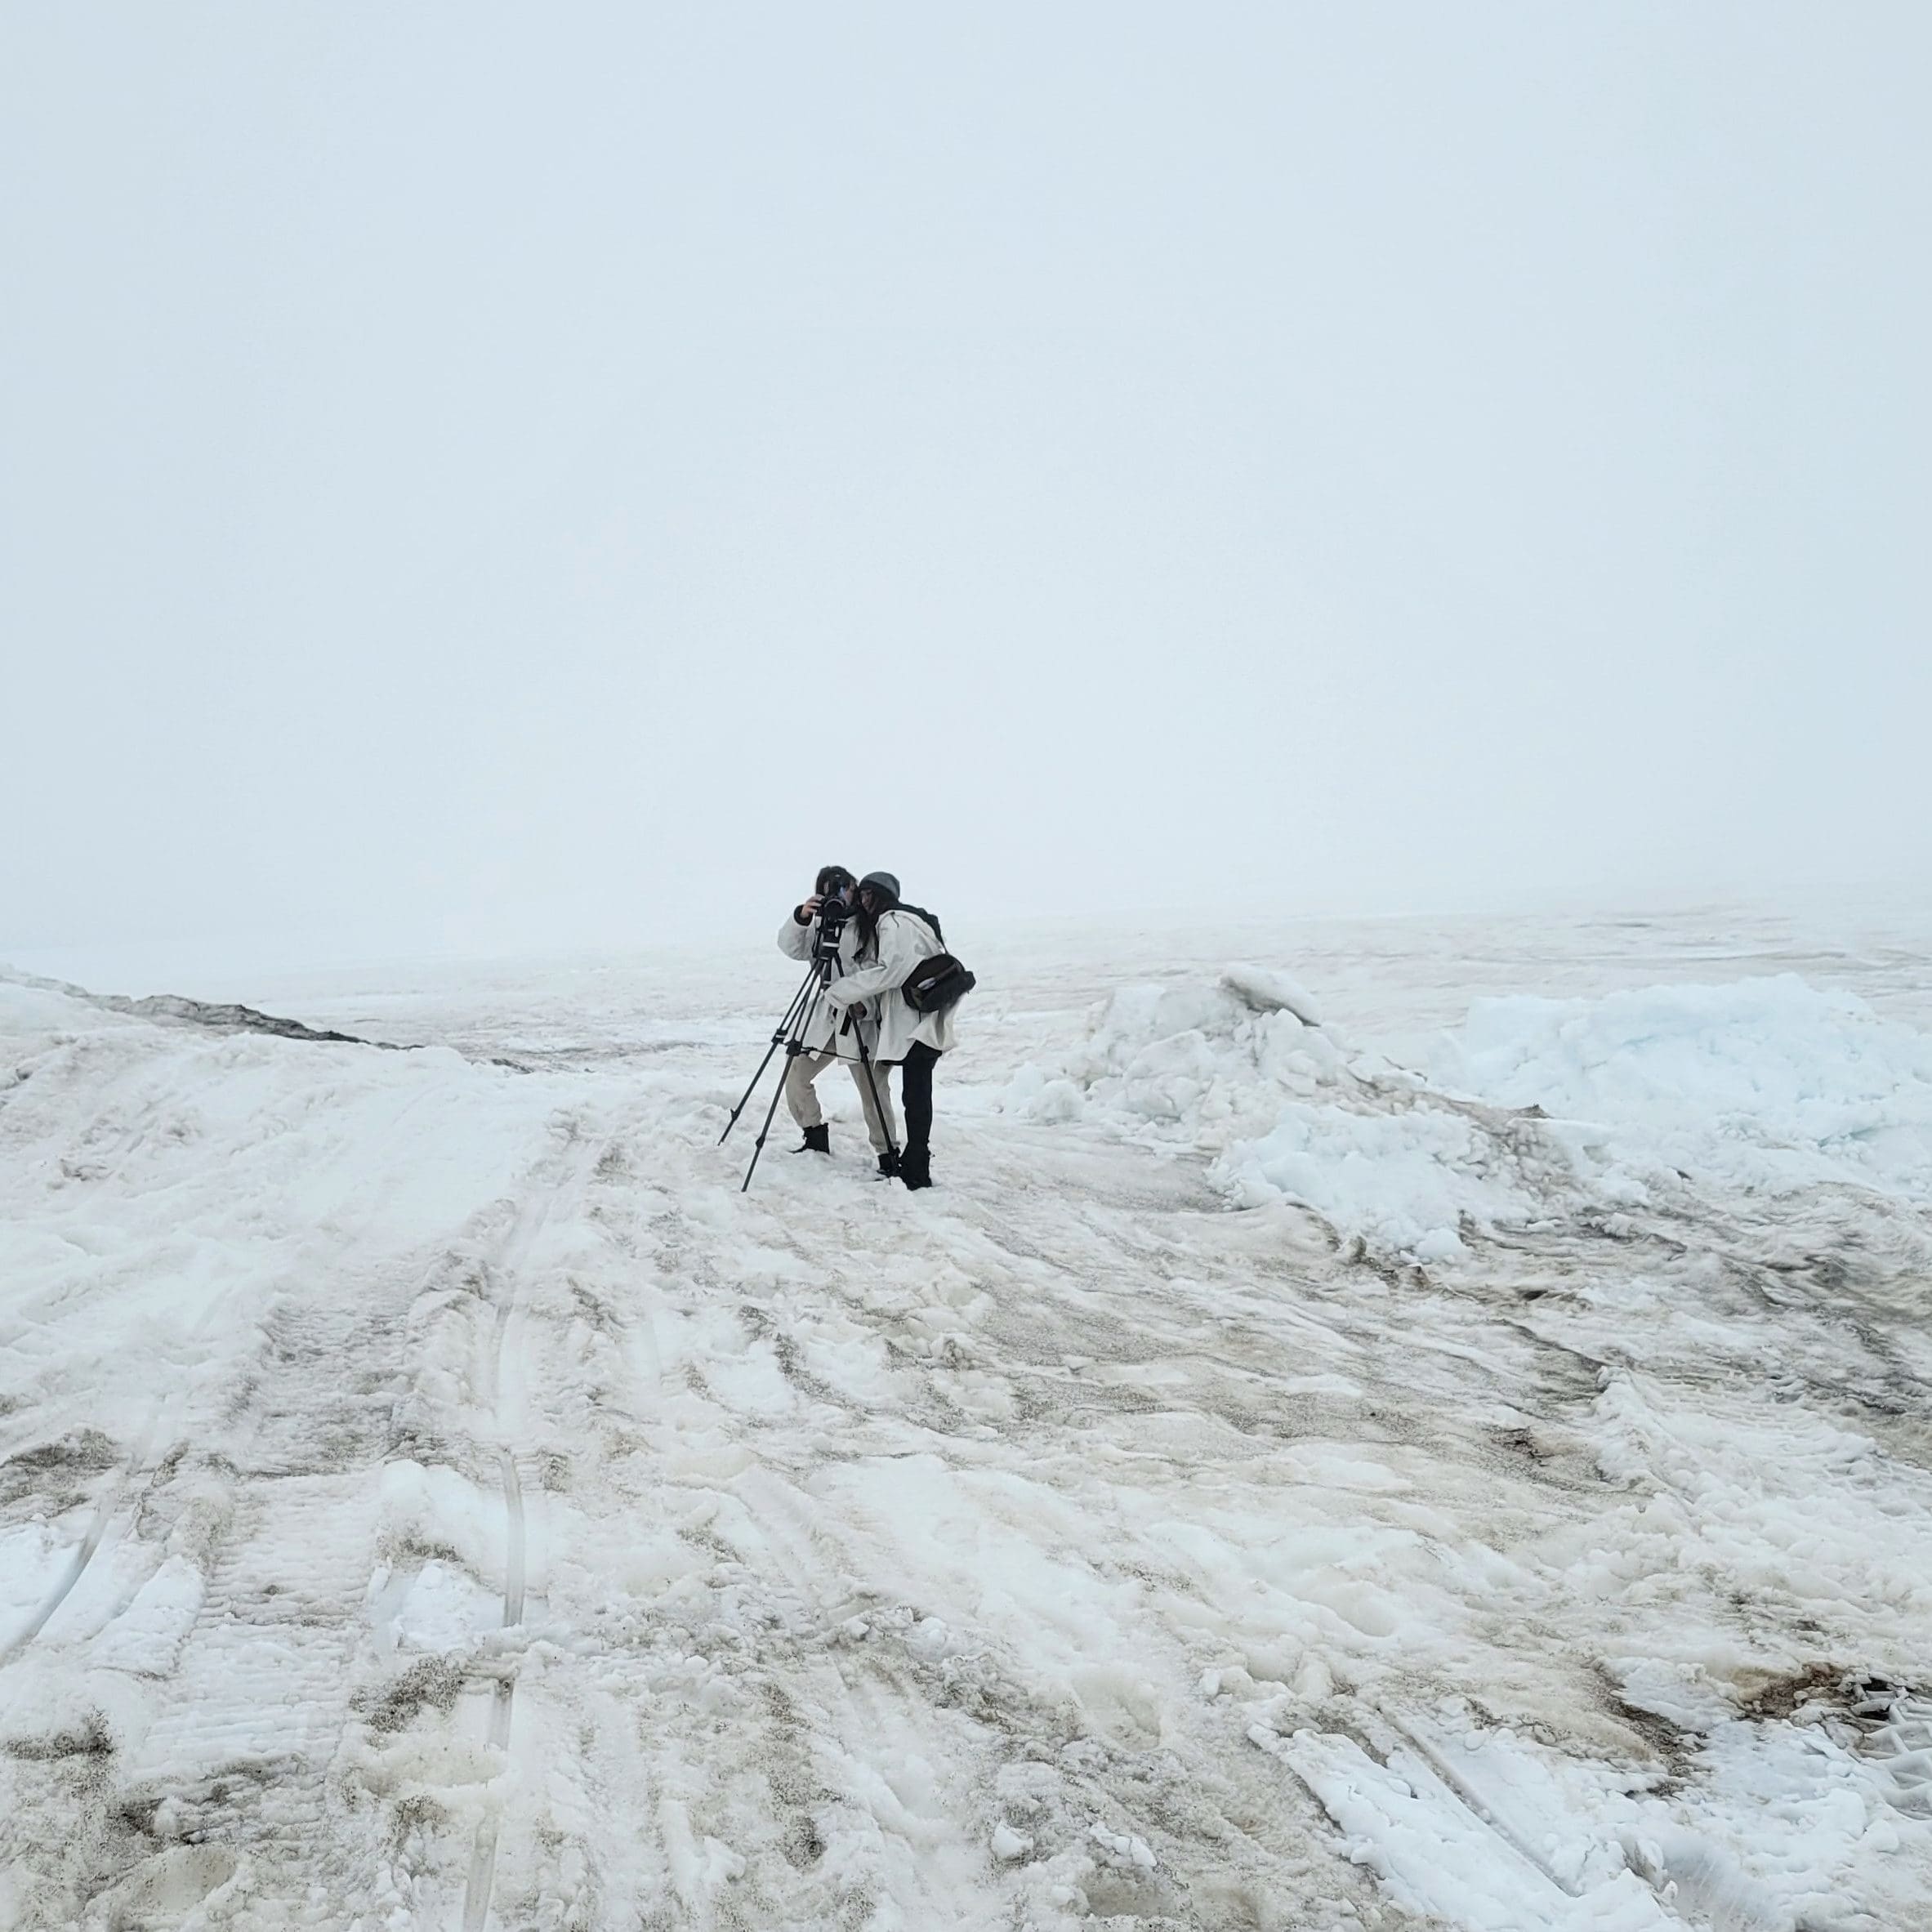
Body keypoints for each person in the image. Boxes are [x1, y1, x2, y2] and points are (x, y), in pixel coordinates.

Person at [823, 872, 957, 1191]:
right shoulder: (911, 921)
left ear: (880, 895)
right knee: (917, 1093)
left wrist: (841, 991)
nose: (862, 901)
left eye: (867, 894)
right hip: (924, 1019)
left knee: (916, 1095)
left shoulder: (892, 921)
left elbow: (893, 971)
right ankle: (915, 1163)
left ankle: (917, 1169)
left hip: (916, 1025)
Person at [776, 866, 901, 1173]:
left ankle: (888, 1156)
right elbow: (791, 948)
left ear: (855, 890)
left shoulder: (871, 923)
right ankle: (814, 1137)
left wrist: (857, 996)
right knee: (796, 1076)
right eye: (828, 891)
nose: (837, 897)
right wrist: (802, 917)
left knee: (873, 1089)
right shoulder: (819, 923)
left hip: (862, 1017)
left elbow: (881, 968)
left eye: (842, 889)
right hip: (827, 1014)